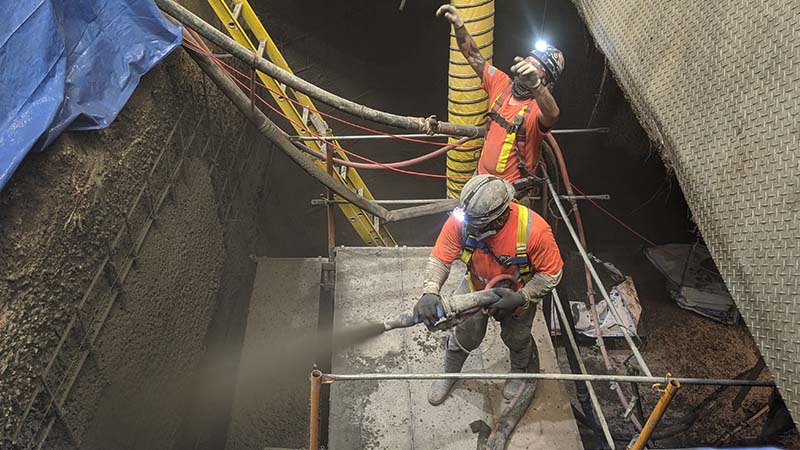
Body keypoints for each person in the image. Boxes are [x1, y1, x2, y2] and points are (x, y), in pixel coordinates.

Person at [413, 174, 563, 405]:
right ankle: (450, 375)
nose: (468, 227)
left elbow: (551, 274)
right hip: (476, 287)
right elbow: (441, 259)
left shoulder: (534, 231)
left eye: (476, 224)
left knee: (518, 338)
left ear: (499, 218)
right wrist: (430, 291)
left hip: (515, 295)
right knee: (464, 334)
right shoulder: (463, 220)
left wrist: (522, 297)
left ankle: (518, 373)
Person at [436, 4, 564, 194]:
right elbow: (473, 56)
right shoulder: (501, 83)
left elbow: (552, 114)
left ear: (545, 80)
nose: (526, 68)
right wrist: (459, 25)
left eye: (535, 68)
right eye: (528, 61)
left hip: (509, 195)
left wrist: (535, 86)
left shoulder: (536, 110)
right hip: (479, 182)